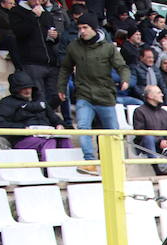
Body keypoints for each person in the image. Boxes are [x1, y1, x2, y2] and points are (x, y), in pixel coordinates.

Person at [58, 12, 129, 176]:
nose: (82, 31)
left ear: (94, 29)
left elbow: (122, 67)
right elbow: (65, 68)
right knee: (83, 127)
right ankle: (89, 162)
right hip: (84, 95)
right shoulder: (73, 46)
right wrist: (61, 88)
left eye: (85, 27)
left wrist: (124, 79)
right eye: (79, 28)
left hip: (105, 96)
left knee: (112, 131)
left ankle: (117, 163)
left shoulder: (108, 47)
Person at [0, 71, 72, 158]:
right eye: (23, 88)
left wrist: (59, 125)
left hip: (47, 135)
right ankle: (49, 170)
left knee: (65, 140)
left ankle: (69, 169)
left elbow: (54, 118)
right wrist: (23, 128)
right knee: (50, 142)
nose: (27, 90)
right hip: (21, 139)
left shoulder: (41, 101)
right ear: (15, 89)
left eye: (29, 87)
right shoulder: (6, 103)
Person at [10, 0, 61, 114]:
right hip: (32, 62)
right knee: (39, 97)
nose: (38, 2)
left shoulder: (45, 13)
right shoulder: (16, 11)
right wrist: (33, 16)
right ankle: (41, 122)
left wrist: (56, 36)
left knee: (55, 97)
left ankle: (50, 121)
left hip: (50, 62)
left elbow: (52, 35)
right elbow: (20, 32)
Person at [0, 0, 20, 68]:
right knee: (12, 39)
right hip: (3, 40)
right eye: (10, 3)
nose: (13, 5)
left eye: (14, 4)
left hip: (13, 38)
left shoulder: (14, 14)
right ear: (2, 4)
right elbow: (8, 24)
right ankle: (19, 67)